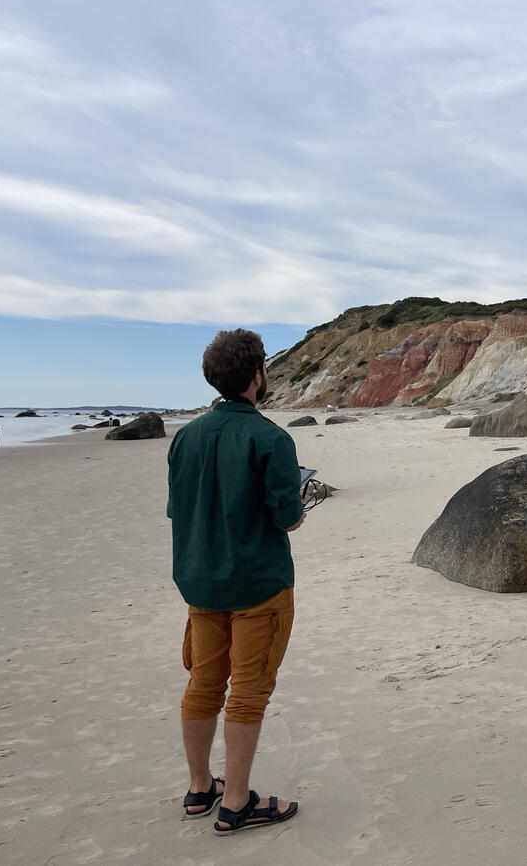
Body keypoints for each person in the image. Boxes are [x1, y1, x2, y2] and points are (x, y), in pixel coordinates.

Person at [167, 329, 304, 833]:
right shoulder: (271, 438)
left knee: (203, 683)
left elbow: (176, 509)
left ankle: (201, 788)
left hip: (200, 582)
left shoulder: (186, 436)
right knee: (247, 692)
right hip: (257, 585)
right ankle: (238, 801)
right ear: (257, 375)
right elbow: (287, 517)